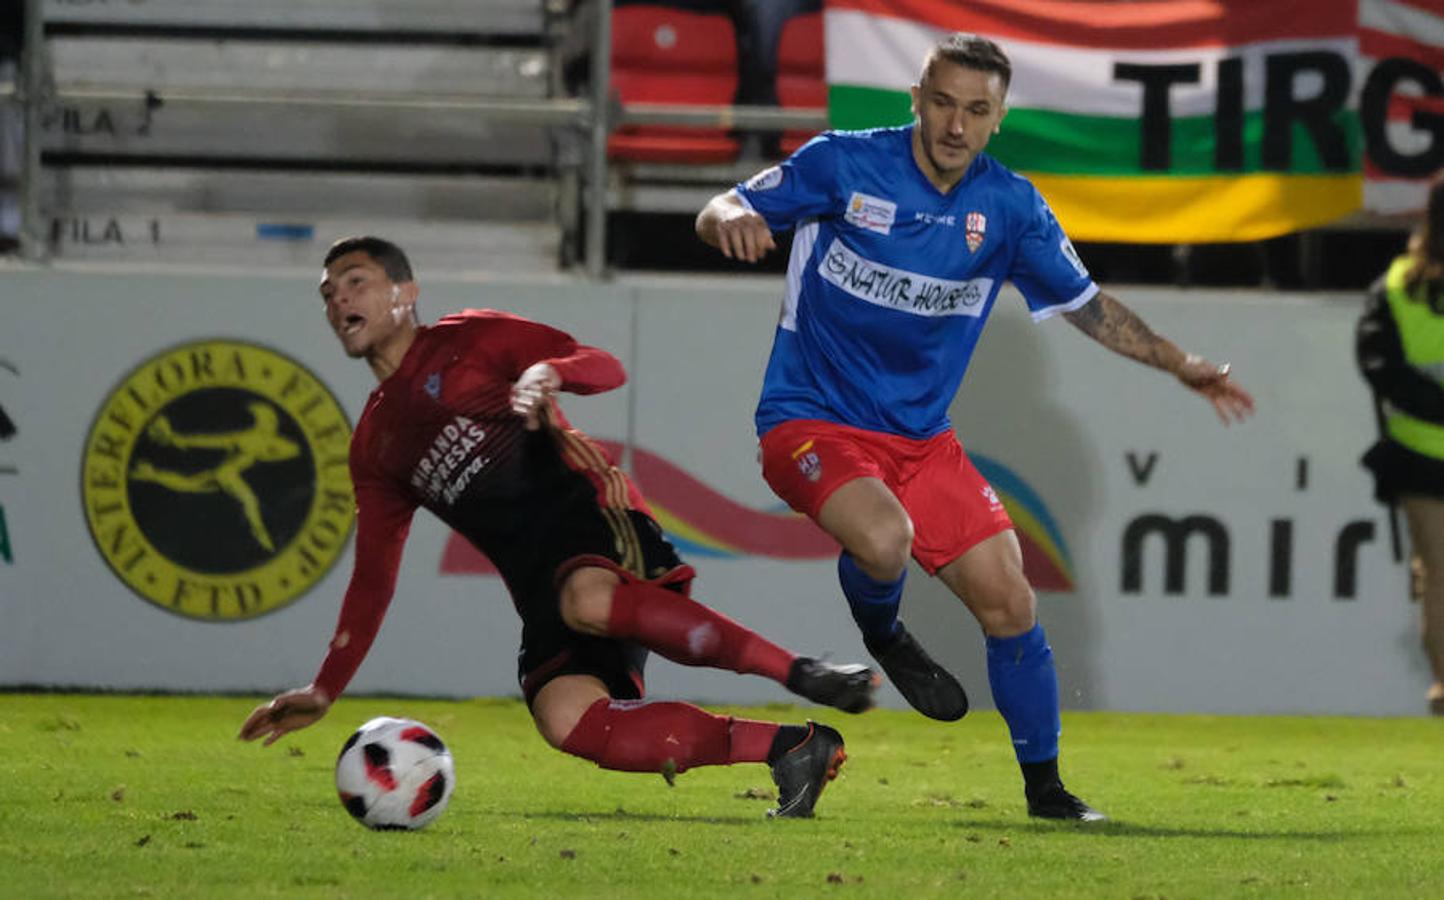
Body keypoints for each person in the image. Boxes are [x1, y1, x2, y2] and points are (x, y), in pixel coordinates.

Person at [694, 34, 1255, 820]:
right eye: (945, 103)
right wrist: (731, 220)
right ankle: (884, 630)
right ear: (917, 100)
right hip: (810, 418)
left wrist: (1180, 362)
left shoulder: (1010, 207)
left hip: (923, 442)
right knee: (884, 539)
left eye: (977, 110)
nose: (957, 125)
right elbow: (726, 204)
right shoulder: (843, 164)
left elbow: (1089, 307)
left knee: (1012, 604)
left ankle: (1047, 793)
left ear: (998, 119)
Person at [239, 236, 881, 818]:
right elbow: (374, 576)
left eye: (355, 281)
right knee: (565, 716)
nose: (339, 299)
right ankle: (794, 749)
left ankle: (797, 671)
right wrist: (326, 688)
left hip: (597, 519)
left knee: (588, 598)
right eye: (329, 292)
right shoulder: (375, 444)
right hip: (543, 587)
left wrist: (551, 373)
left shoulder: (471, 340)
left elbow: (602, 364)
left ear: (406, 294)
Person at [1357, 172, 1444, 717]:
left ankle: (1443, 686)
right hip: (1420, 455)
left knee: (1437, 569)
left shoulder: (1395, 286)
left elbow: (1379, 367)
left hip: (1418, 454)